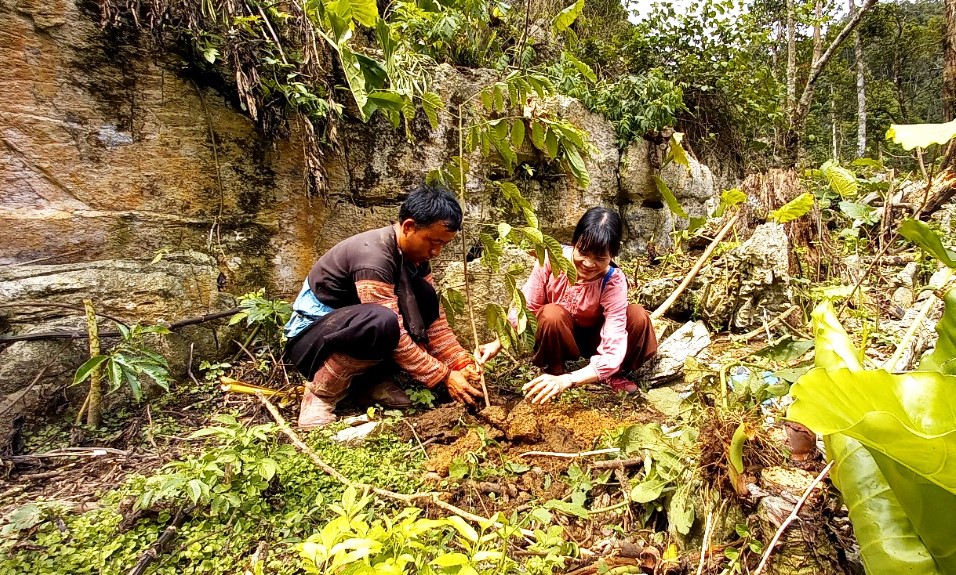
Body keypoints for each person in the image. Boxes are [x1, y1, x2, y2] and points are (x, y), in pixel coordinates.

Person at [284, 184, 484, 428]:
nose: (436, 252)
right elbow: (394, 335)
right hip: (312, 346)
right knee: (381, 322)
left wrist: (461, 363)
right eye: (433, 242)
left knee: (425, 295)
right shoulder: (373, 258)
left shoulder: (416, 258)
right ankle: (320, 394)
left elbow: (435, 322)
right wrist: (444, 375)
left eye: (444, 244)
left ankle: (368, 384)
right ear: (408, 226)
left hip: (351, 333)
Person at [476, 207, 657, 404]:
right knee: (551, 314)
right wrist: (498, 343)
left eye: (600, 258)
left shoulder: (613, 281)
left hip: (595, 339)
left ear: (612, 255)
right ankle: (554, 370)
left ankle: (610, 374)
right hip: (558, 334)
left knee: (637, 316)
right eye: (583, 252)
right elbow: (528, 307)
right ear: (574, 243)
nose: (588, 264)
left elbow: (614, 342)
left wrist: (569, 380)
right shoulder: (552, 261)